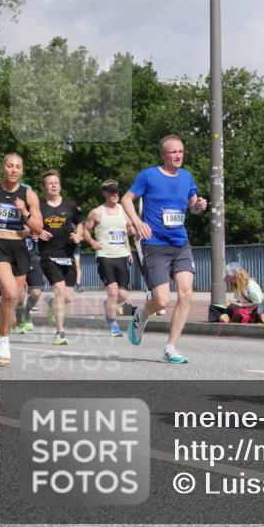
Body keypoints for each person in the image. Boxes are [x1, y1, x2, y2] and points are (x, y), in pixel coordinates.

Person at [121, 134, 208, 364]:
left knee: (186, 293)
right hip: (155, 245)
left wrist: (198, 206)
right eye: (173, 152)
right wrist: (138, 222)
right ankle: (141, 314)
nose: (178, 155)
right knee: (161, 300)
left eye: (180, 151)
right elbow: (126, 199)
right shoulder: (149, 176)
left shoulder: (187, 177)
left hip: (180, 243)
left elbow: (194, 205)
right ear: (163, 155)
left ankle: (171, 347)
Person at [0, 153, 44, 366]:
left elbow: (38, 228)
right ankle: (3, 340)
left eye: (18, 166)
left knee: (13, 299)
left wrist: (25, 212)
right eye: (10, 166)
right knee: (8, 292)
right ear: (3, 168)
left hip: (20, 248)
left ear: (22, 170)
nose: (14, 170)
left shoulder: (29, 195)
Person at [35, 170, 83, 347]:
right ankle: (59, 333)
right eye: (50, 183)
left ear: (60, 185)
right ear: (44, 187)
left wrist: (79, 236)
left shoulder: (70, 205)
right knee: (60, 291)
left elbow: (81, 224)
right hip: (49, 256)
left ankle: (51, 303)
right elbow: (29, 227)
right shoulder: (39, 208)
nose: (53, 185)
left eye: (56, 182)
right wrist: (37, 232)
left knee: (68, 297)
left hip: (68, 256)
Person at [83, 179, 135, 337]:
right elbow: (85, 229)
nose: (114, 194)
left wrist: (129, 250)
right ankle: (112, 323)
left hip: (122, 255)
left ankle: (109, 306)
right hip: (105, 255)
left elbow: (128, 230)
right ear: (104, 193)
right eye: (111, 191)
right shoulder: (97, 212)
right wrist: (92, 242)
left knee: (123, 295)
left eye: (116, 191)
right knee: (113, 291)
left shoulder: (124, 210)